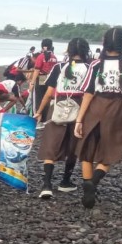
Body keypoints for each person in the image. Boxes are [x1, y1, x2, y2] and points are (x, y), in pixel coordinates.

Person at [74, 27, 122, 209]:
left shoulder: (96, 65)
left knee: (87, 148)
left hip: (96, 106)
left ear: (104, 43)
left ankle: (88, 187)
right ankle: (93, 183)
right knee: (110, 150)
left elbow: (88, 93)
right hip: (118, 108)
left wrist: (79, 119)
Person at [34, 38, 91, 198]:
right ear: (86, 51)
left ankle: (46, 184)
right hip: (79, 108)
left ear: (69, 50)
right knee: (73, 145)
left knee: (51, 144)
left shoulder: (59, 67)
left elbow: (49, 92)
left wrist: (39, 111)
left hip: (58, 107)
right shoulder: (89, 68)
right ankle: (65, 181)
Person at [30, 39, 60, 124]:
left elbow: (37, 70)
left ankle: (36, 117)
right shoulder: (54, 57)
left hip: (41, 78)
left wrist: (32, 82)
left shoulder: (41, 56)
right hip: (50, 79)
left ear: (42, 46)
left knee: (38, 98)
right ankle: (44, 118)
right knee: (46, 99)